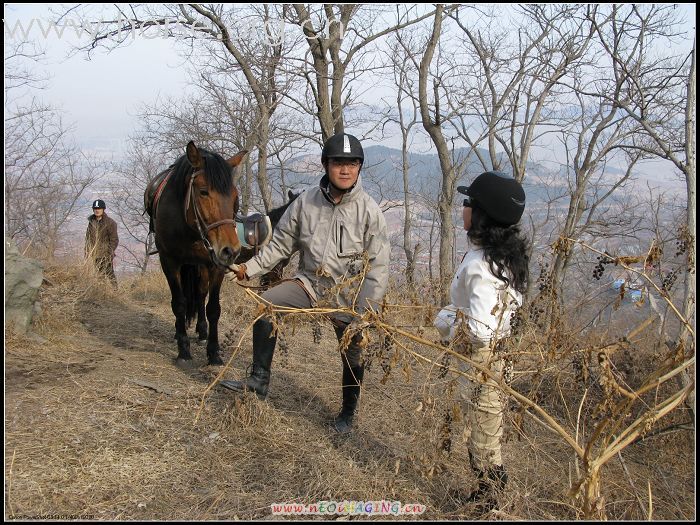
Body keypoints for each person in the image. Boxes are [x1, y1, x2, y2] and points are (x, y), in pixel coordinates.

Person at [220, 132, 390, 434]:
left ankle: (347, 413)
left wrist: (365, 314)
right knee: (267, 307)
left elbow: (378, 267)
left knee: (352, 353)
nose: (345, 170)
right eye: (339, 163)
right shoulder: (306, 202)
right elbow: (280, 245)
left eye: (352, 163)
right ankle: (258, 380)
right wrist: (249, 268)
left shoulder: (369, 211)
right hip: (310, 284)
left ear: (359, 168)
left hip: (348, 296)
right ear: (326, 165)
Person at [434, 171, 529, 512]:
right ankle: (486, 495)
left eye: (468, 203)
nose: (463, 209)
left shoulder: (480, 266)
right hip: (498, 357)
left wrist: (444, 320)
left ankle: (488, 503)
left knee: (483, 436)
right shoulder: (505, 257)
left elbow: (480, 331)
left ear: (482, 214)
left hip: (482, 361)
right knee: (487, 430)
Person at [85, 199, 119, 287]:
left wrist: (109, 253)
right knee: (99, 276)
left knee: (109, 274)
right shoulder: (91, 222)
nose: (97, 210)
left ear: (103, 209)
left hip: (106, 254)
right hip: (95, 254)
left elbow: (114, 240)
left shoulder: (110, 223)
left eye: (99, 208)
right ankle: (102, 293)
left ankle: (116, 292)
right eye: (95, 208)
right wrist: (87, 252)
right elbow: (88, 238)